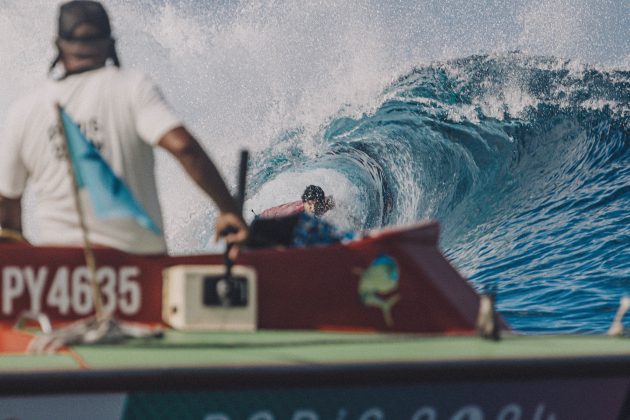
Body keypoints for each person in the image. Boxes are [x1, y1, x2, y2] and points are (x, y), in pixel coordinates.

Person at [0, 0, 247, 255]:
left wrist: (25, 262)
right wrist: (228, 210)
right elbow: (185, 148)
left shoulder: (26, 110)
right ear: (111, 45)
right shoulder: (132, 89)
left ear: (58, 47)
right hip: (140, 270)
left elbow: (6, 209)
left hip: (62, 278)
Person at [259, 185, 334, 218]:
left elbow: (330, 199)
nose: (313, 208)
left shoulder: (319, 203)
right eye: (310, 204)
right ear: (304, 201)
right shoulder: (293, 212)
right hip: (264, 217)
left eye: (316, 204)